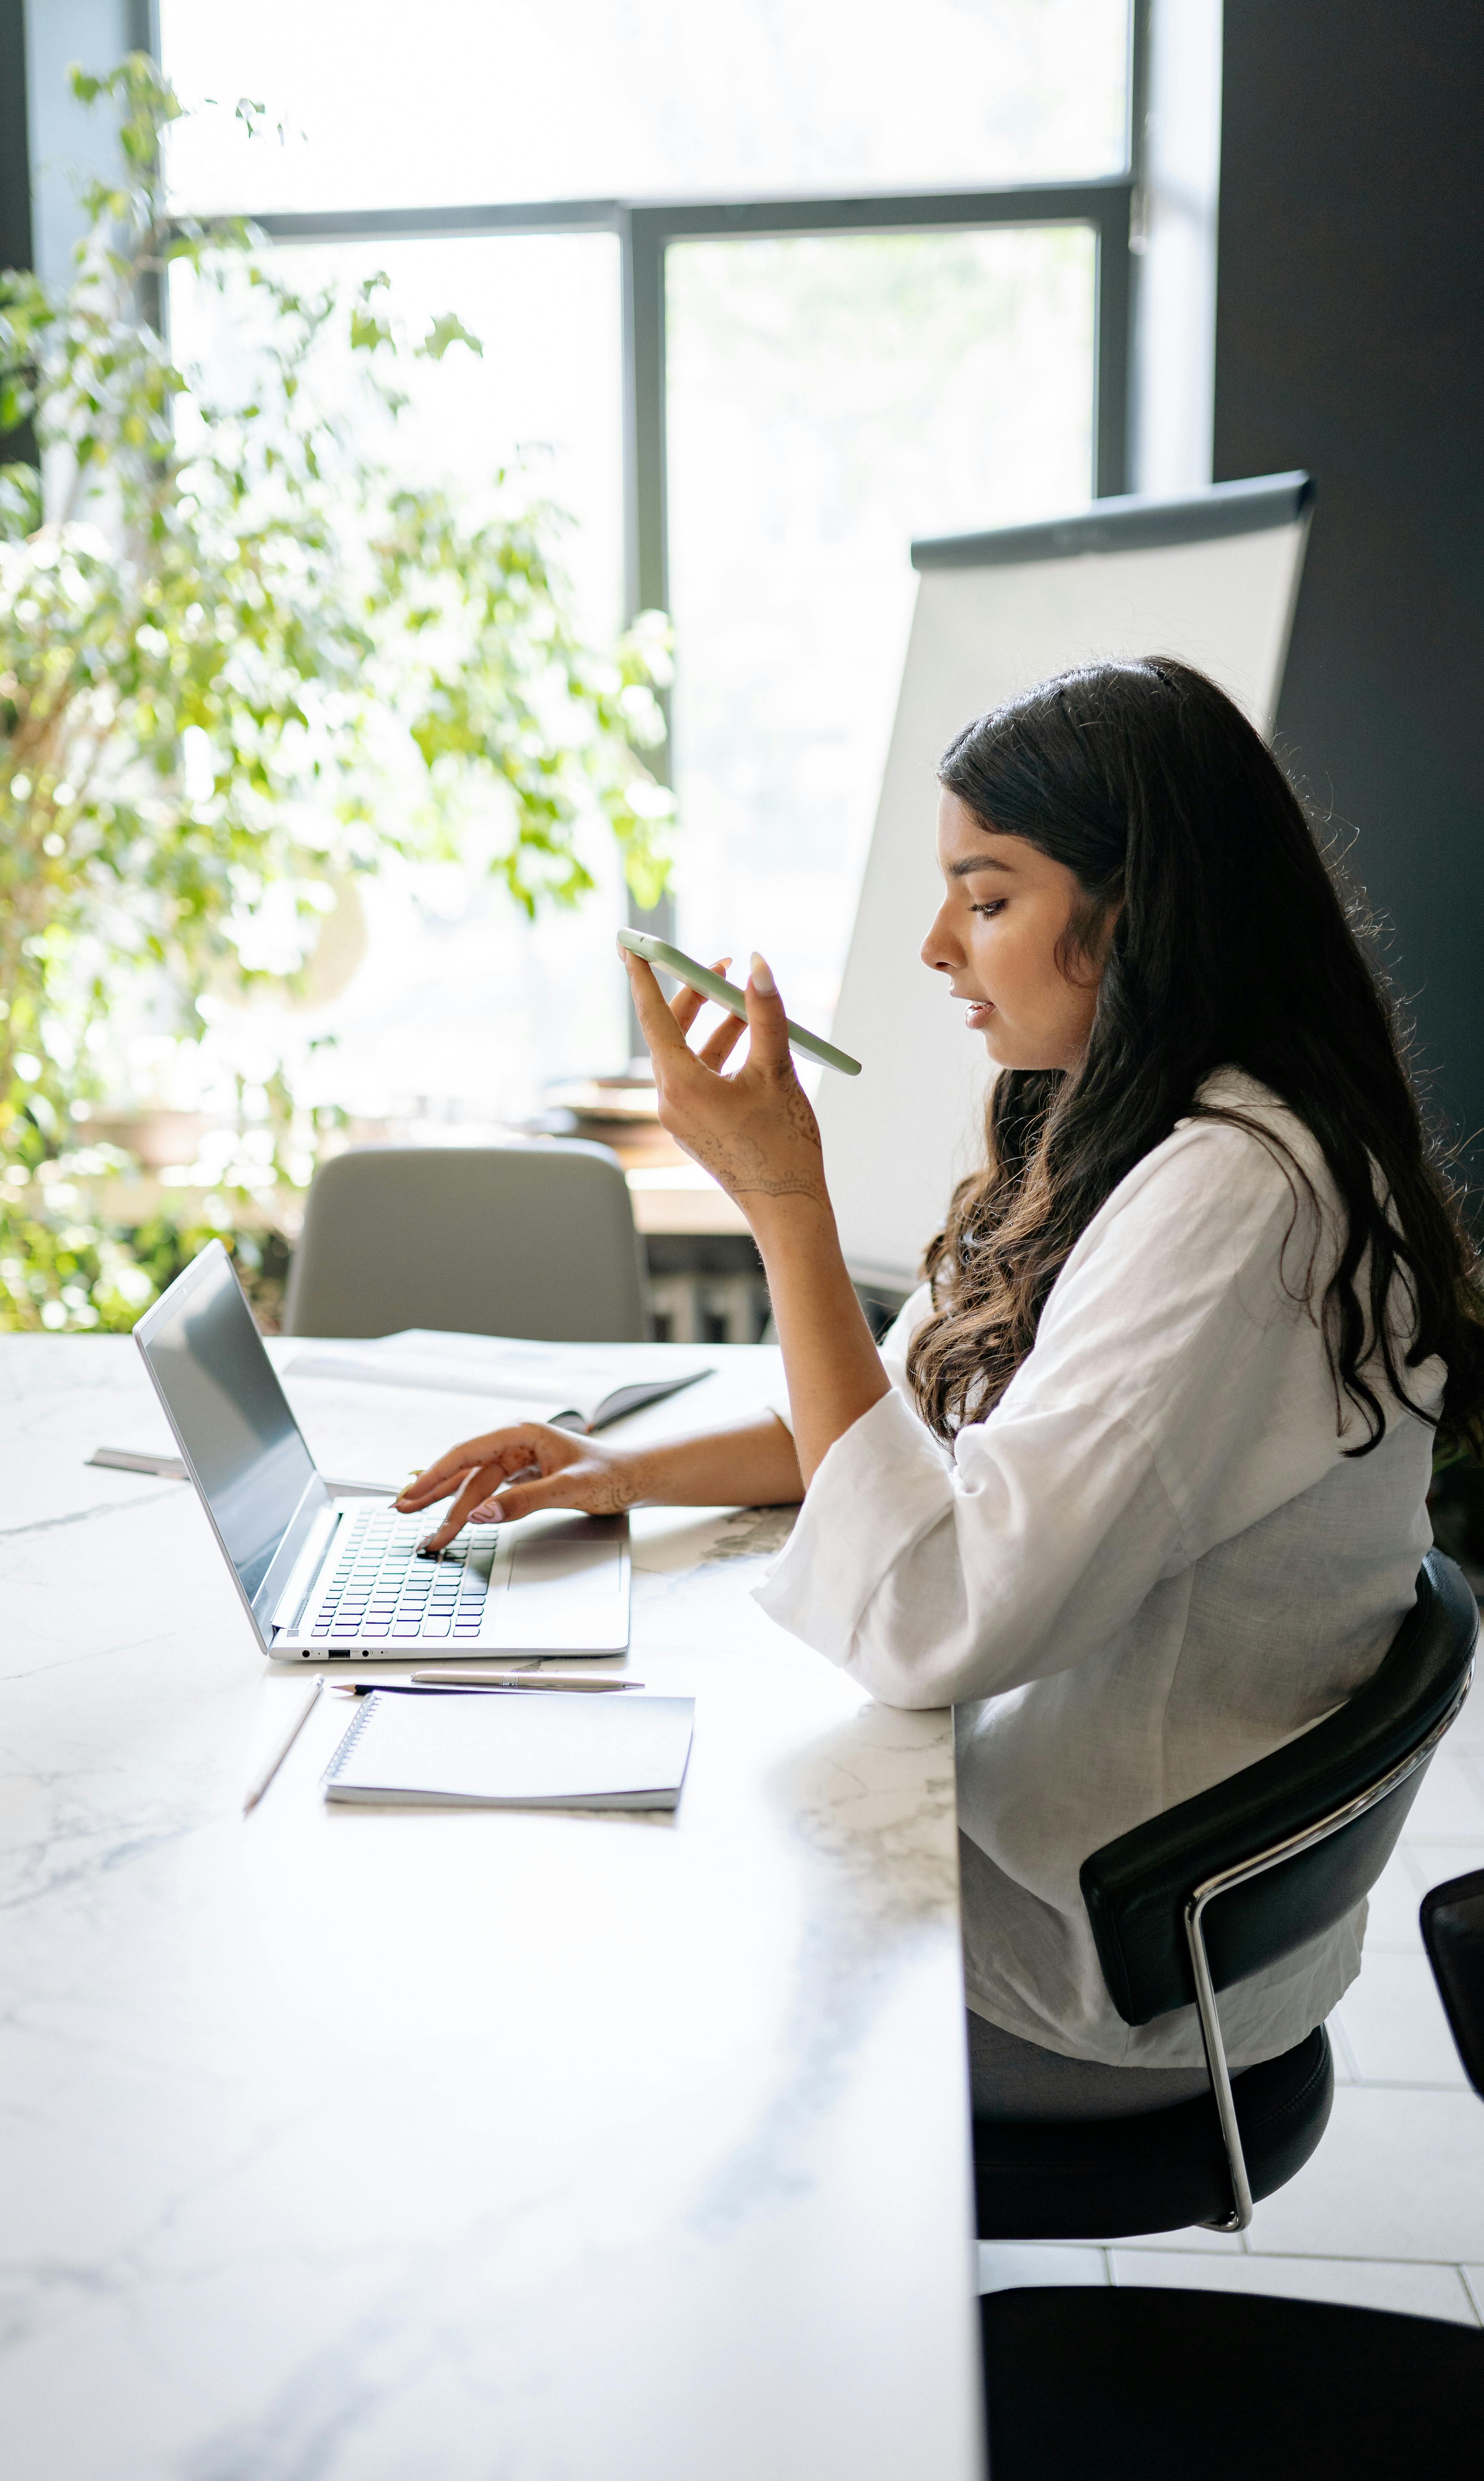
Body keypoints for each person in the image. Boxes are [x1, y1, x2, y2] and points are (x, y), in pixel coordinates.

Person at [394, 656, 1484, 2117]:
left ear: (1137, 913)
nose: (935, 947)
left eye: (987, 898)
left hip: (1089, 1965)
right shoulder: (1157, 1130)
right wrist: (623, 1476)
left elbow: (930, 1613)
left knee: (568, 1942)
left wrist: (784, 1199)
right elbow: (900, 1438)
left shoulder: (1238, 1197)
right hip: (1087, 1872)